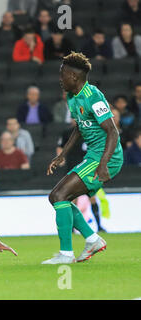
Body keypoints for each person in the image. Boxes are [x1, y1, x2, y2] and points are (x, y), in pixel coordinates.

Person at [45, 52, 123, 264]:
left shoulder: (93, 96)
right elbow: (80, 127)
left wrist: (104, 164)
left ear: (73, 76)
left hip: (106, 157)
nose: (60, 80)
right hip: (94, 155)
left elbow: (112, 132)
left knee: (59, 195)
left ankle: (66, 254)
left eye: (62, 75)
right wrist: (62, 155)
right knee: (58, 197)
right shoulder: (72, 97)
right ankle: (92, 239)